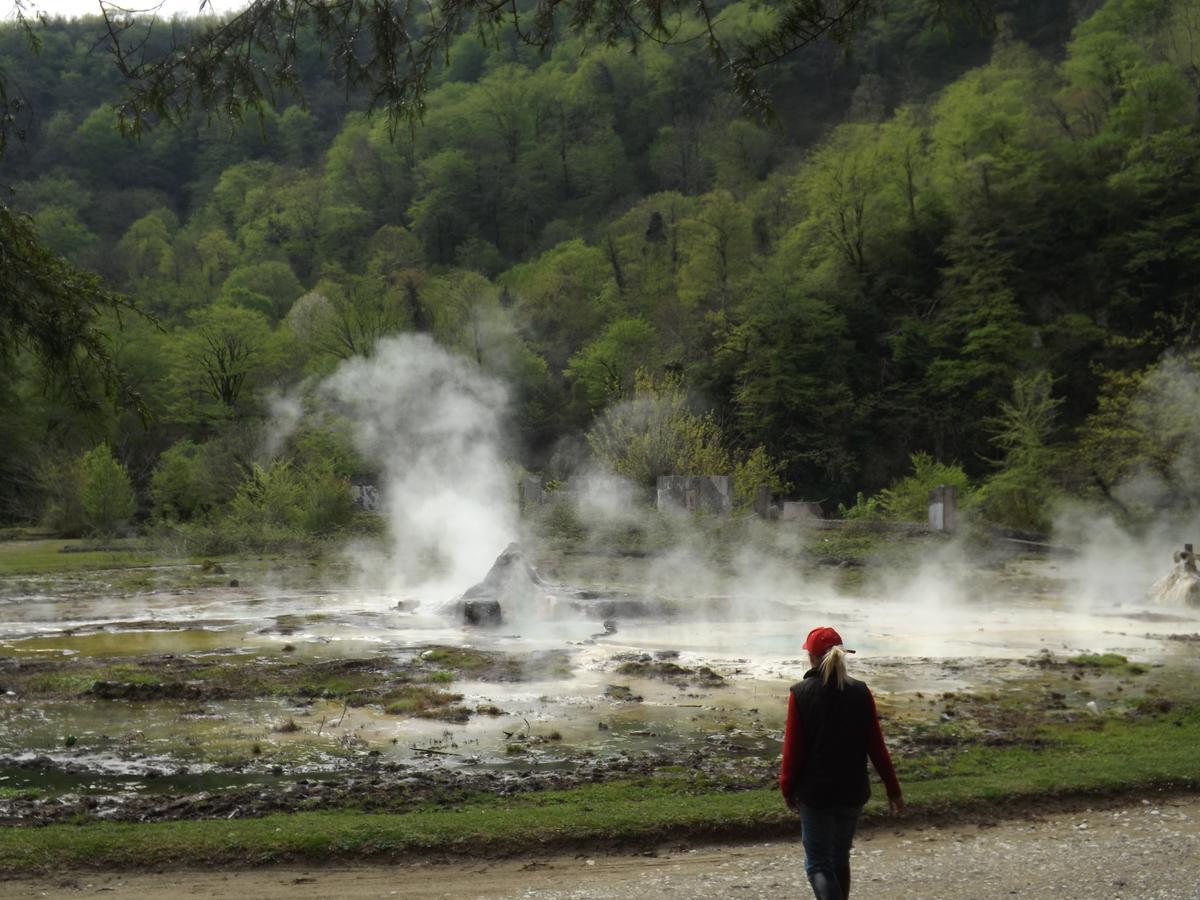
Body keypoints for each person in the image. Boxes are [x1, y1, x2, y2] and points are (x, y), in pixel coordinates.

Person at [780, 626, 904, 900]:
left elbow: (793, 751)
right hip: (852, 792)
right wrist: (893, 789)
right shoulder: (860, 692)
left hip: (816, 794)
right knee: (838, 858)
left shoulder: (800, 693)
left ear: (811, 658)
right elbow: (877, 747)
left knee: (818, 864)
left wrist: (787, 787)